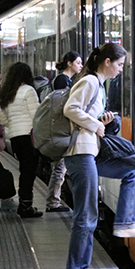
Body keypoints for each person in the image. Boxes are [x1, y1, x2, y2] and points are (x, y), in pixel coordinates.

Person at [62, 43, 135, 269]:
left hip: (90, 151)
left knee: (134, 168)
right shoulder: (89, 81)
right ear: (107, 62)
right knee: (86, 213)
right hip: (80, 152)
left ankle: (126, 222)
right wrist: (95, 124)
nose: (121, 70)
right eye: (119, 65)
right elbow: (71, 109)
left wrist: (103, 120)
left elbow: (85, 113)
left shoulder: (98, 86)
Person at [0, 62, 43, 218]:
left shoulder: (6, 93)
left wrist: (14, 123)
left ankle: (24, 203)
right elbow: (37, 115)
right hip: (29, 136)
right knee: (29, 172)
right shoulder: (28, 91)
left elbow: (1, 118)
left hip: (15, 137)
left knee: (24, 170)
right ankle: (25, 205)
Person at [46, 51, 83, 213]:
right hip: (62, 129)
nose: (81, 66)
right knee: (60, 167)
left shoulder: (65, 80)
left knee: (61, 167)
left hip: (62, 129)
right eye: (78, 62)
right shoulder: (62, 80)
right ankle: (53, 202)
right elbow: (63, 106)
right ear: (69, 63)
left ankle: (54, 199)